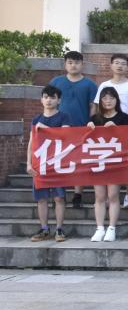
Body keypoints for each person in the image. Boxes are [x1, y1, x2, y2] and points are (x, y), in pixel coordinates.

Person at [50, 50, 97, 211]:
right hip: (59, 129)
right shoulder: (56, 82)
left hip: (81, 129)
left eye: (76, 62)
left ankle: (78, 195)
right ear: (65, 64)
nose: (73, 65)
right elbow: (49, 103)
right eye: (70, 62)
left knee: (79, 164)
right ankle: (58, 194)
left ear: (82, 64)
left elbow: (93, 106)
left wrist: (90, 122)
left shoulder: (90, 84)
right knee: (59, 162)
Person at [86, 87, 128, 242]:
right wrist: (88, 129)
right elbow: (86, 141)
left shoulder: (124, 118)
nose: (108, 101)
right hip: (98, 162)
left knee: (113, 195)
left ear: (116, 100)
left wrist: (117, 129)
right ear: (100, 101)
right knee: (99, 196)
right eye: (105, 98)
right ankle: (99, 228)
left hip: (115, 162)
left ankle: (112, 228)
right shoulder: (95, 118)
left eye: (111, 98)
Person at [26, 86, 71, 242]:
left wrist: (45, 128)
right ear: (41, 99)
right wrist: (28, 163)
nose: (49, 100)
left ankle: (59, 229)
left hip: (58, 163)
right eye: (46, 97)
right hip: (40, 164)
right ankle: (44, 229)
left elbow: (65, 136)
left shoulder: (64, 117)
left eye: (52, 97)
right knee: (41, 198)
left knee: (59, 198)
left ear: (59, 100)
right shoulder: (36, 119)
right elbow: (31, 143)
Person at [95, 53, 128, 119]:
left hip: (125, 123)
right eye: (116, 63)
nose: (120, 66)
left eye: (123, 64)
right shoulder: (104, 85)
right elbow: (99, 106)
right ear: (111, 65)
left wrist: (125, 122)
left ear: (127, 67)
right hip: (105, 123)